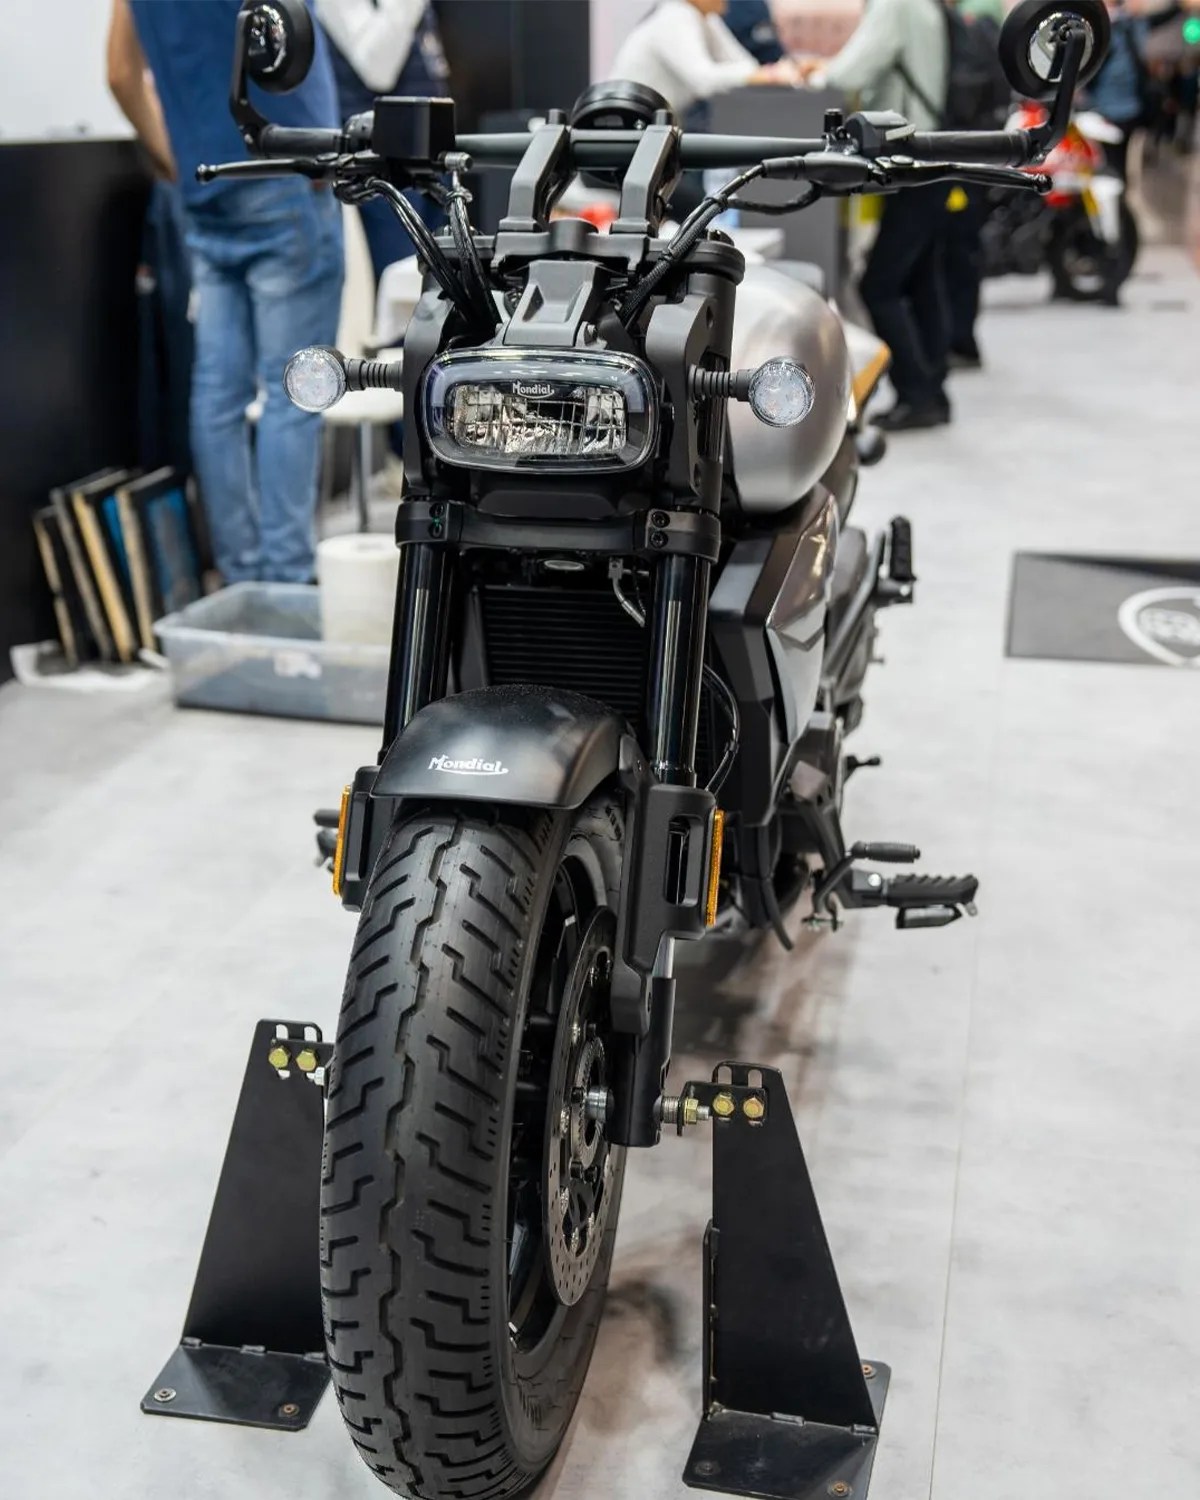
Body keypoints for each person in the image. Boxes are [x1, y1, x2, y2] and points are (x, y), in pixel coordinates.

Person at [107, 0, 344, 585]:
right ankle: (286, 584)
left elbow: (118, 74)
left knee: (217, 396)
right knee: (294, 390)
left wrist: (177, 159)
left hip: (207, 185)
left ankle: (244, 584)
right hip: (285, 170)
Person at [798, 0, 952, 430]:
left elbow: (849, 73)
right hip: (931, 152)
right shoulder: (926, 6)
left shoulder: (894, 5)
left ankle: (918, 391)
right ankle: (931, 389)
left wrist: (815, 74)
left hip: (907, 159)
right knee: (920, 278)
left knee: (879, 284)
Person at [316, 1, 450, 283]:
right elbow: (377, 68)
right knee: (402, 282)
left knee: (447, 279)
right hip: (383, 162)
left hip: (431, 150)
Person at [611, 0, 797, 123]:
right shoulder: (675, 17)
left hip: (655, 127)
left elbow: (746, 65)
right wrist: (767, 74)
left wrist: (766, 73)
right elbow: (704, 81)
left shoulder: (707, 18)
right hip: (627, 126)